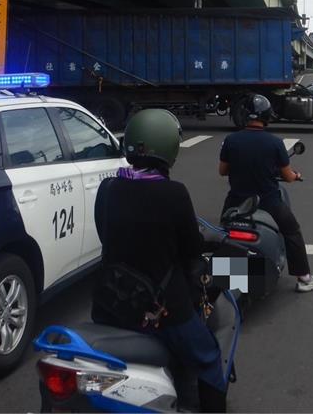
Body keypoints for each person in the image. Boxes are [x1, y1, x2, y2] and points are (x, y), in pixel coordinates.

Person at [93, 109, 227, 412]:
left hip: (110, 303)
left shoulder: (108, 188)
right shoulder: (174, 193)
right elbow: (191, 250)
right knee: (208, 357)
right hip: (162, 310)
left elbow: (105, 233)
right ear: (169, 148)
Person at [218, 95, 313, 293]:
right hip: (268, 201)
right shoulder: (274, 143)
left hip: (237, 201)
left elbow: (223, 171)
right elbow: (287, 175)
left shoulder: (231, 140)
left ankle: (224, 275)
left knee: (222, 233)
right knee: (292, 231)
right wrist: (295, 175)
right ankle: (304, 277)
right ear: (267, 116)